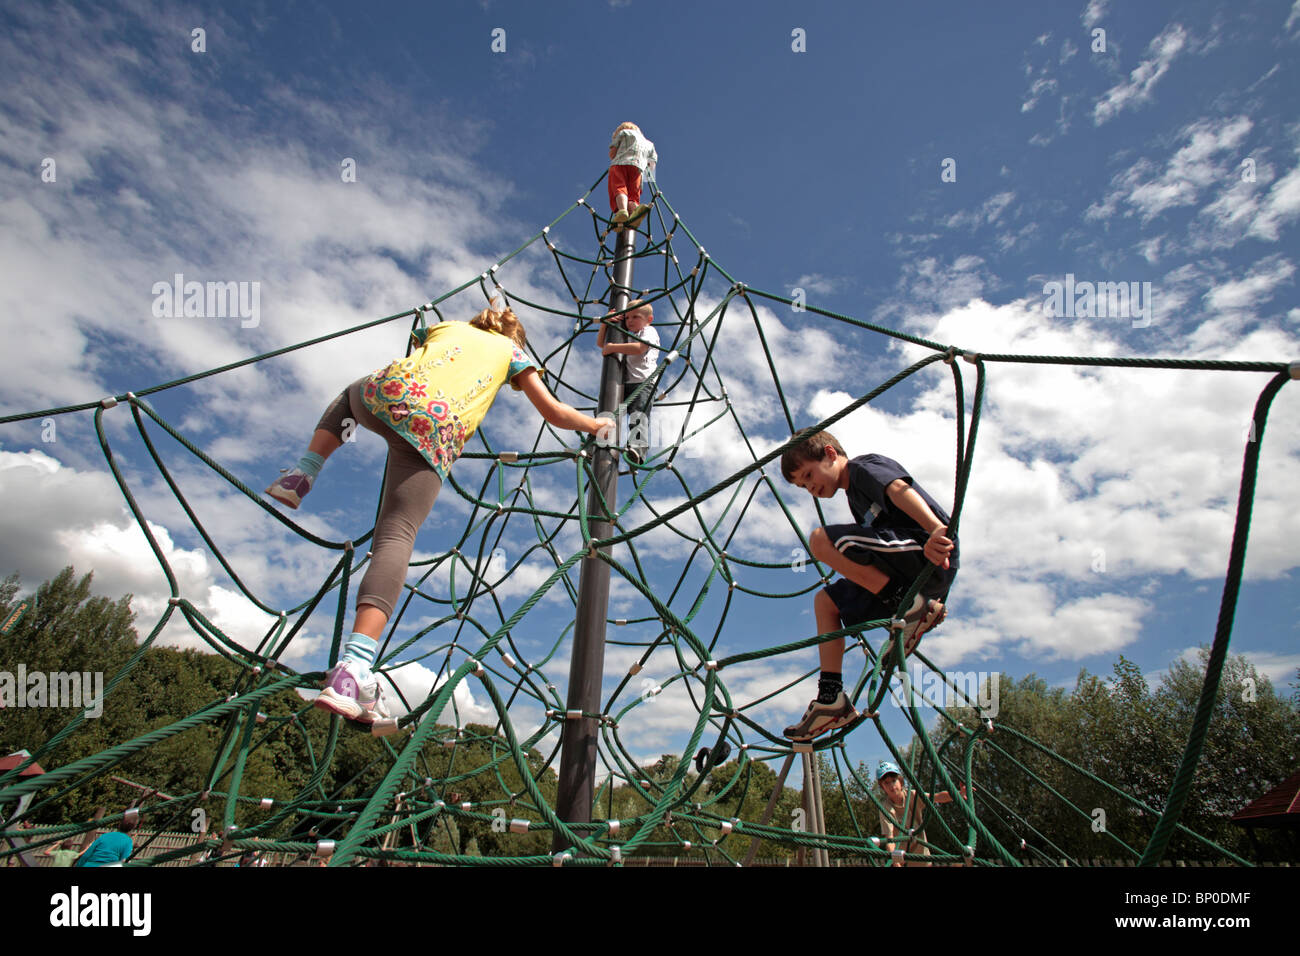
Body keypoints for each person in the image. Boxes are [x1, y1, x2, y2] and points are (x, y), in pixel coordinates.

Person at [266, 305, 609, 726]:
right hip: (434, 427)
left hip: (385, 392)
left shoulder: (446, 326)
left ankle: (303, 472)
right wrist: (599, 426)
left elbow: (423, 343)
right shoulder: (513, 353)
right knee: (396, 535)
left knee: (347, 399)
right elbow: (555, 414)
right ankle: (353, 669)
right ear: (516, 337)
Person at [780, 428, 958, 741]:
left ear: (831, 454)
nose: (810, 487)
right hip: (907, 572)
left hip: (928, 551)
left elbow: (898, 489)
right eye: (802, 485)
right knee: (826, 602)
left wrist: (934, 530)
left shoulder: (863, 468)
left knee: (821, 541)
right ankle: (832, 696)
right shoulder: (854, 500)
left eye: (809, 475)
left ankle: (909, 605)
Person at [595, 300, 659, 464]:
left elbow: (640, 348)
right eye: (627, 317)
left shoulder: (649, 331)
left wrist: (614, 347)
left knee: (638, 415)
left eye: (635, 317)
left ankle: (637, 450)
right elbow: (601, 343)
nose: (630, 321)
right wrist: (605, 323)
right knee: (605, 410)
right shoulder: (625, 333)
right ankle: (595, 444)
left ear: (648, 319)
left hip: (643, 383)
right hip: (624, 383)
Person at [876, 761, 966, 867]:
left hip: (923, 856)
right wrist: (896, 862)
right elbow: (889, 839)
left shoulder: (912, 796)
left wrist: (959, 794)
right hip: (905, 860)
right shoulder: (886, 808)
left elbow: (937, 797)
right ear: (882, 787)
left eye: (894, 780)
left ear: (900, 781)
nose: (891, 786)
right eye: (886, 783)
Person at [608, 122, 657, 231]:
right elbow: (652, 164)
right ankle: (635, 213)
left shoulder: (624, 133)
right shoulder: (649, 144)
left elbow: (612, 153)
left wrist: (613, 154)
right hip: (638, 169)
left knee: (620, 188)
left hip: (619, 164)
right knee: (633, 195)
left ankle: (622, 211)